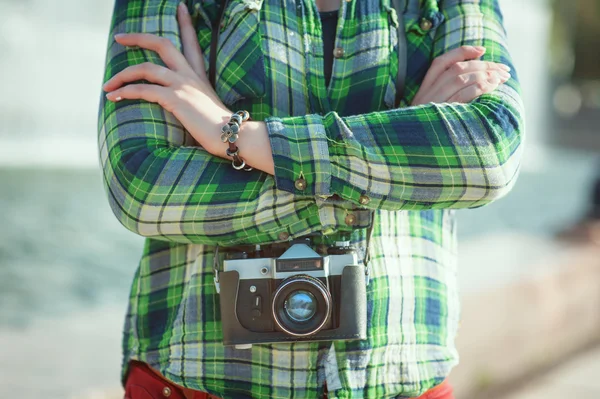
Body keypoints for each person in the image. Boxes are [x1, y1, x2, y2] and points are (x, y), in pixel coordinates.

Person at [97, 0, 524, 398]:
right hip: (200, 378)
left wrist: (237, 135)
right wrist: (403, 154)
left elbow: (489, 151)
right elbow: (142, 185)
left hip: (401, 378)